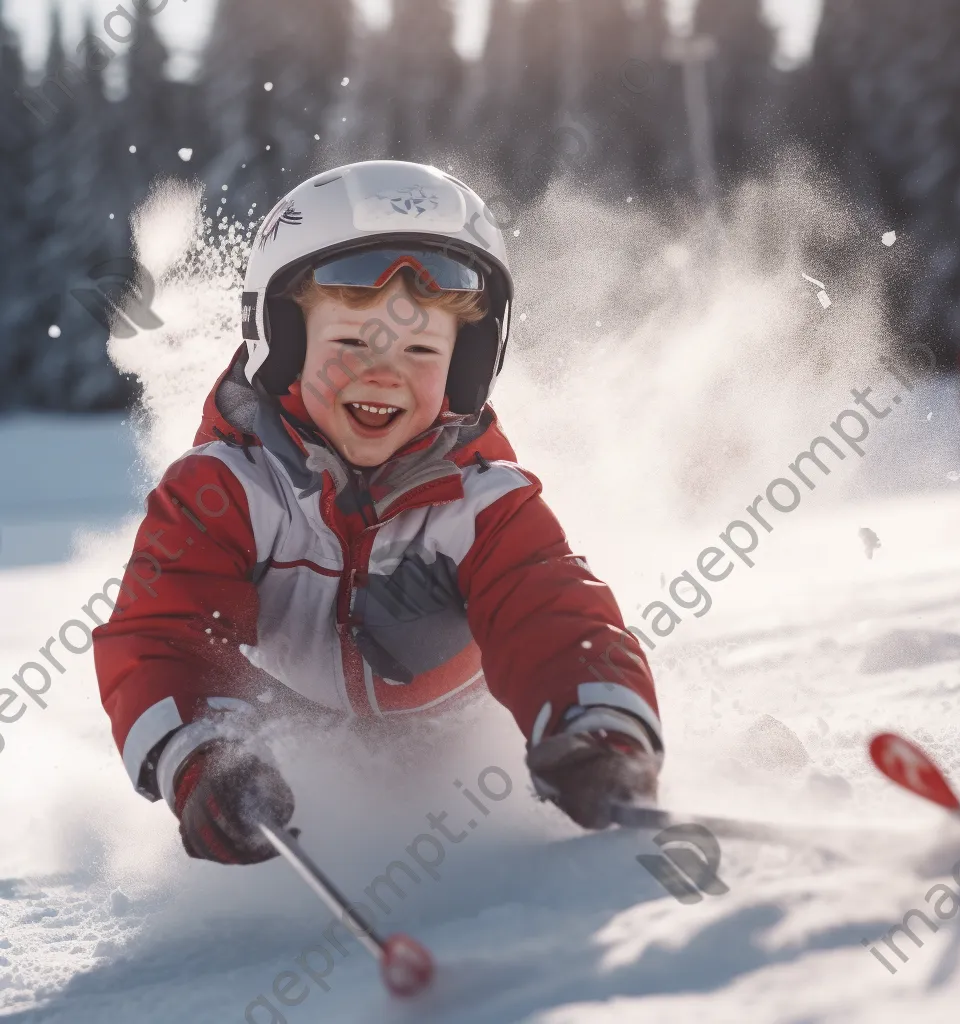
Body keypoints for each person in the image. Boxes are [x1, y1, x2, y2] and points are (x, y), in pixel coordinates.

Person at [92, 160, 663, 865]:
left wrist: (598, 729)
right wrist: (207, 756)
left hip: (459, 736)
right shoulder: (222, 492)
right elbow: (159, 635)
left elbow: (553, 613)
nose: (383, 371)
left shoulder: (487, 501)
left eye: (422, 349)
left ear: (467, 366)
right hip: (291, 745)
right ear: (284, 346)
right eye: (351, 343)